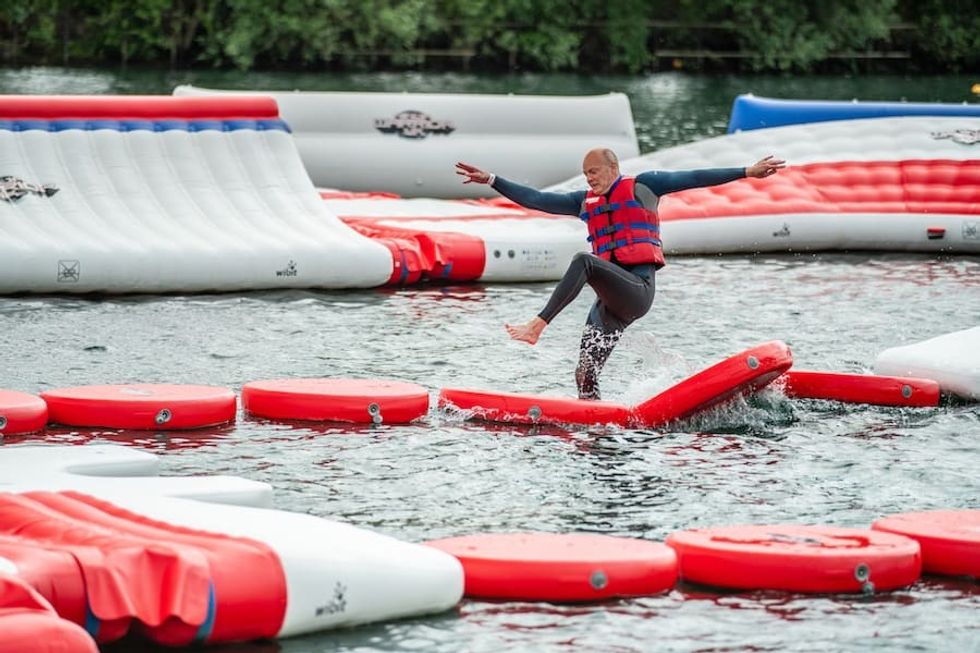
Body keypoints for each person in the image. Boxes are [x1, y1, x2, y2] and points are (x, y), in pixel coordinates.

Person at [455, 149, 786, 401]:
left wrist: (747, 171)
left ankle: (537, 325)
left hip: (637, 290)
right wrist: (492, 180)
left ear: (614, 169)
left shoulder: (645, 186)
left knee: (584, 261)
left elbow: (695, 176)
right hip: (609, 304)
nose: (590, 179)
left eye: (595, 172)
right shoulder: (584, 202)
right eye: (586, 174)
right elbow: (537, 199)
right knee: (585, 374)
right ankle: (595, 416)